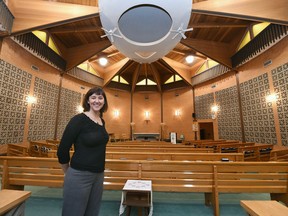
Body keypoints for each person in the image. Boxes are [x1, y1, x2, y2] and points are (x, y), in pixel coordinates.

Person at [57, 87, 109, 216]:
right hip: (79, 174)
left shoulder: (102, 121)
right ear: (88, 101)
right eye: (93, 97)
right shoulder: (78, 120)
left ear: (104, 101)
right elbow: (62, 149)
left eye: (100, 97)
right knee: (73, 212)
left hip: (98, 175)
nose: (97, 101)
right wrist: (68, 172)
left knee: (92, 212)